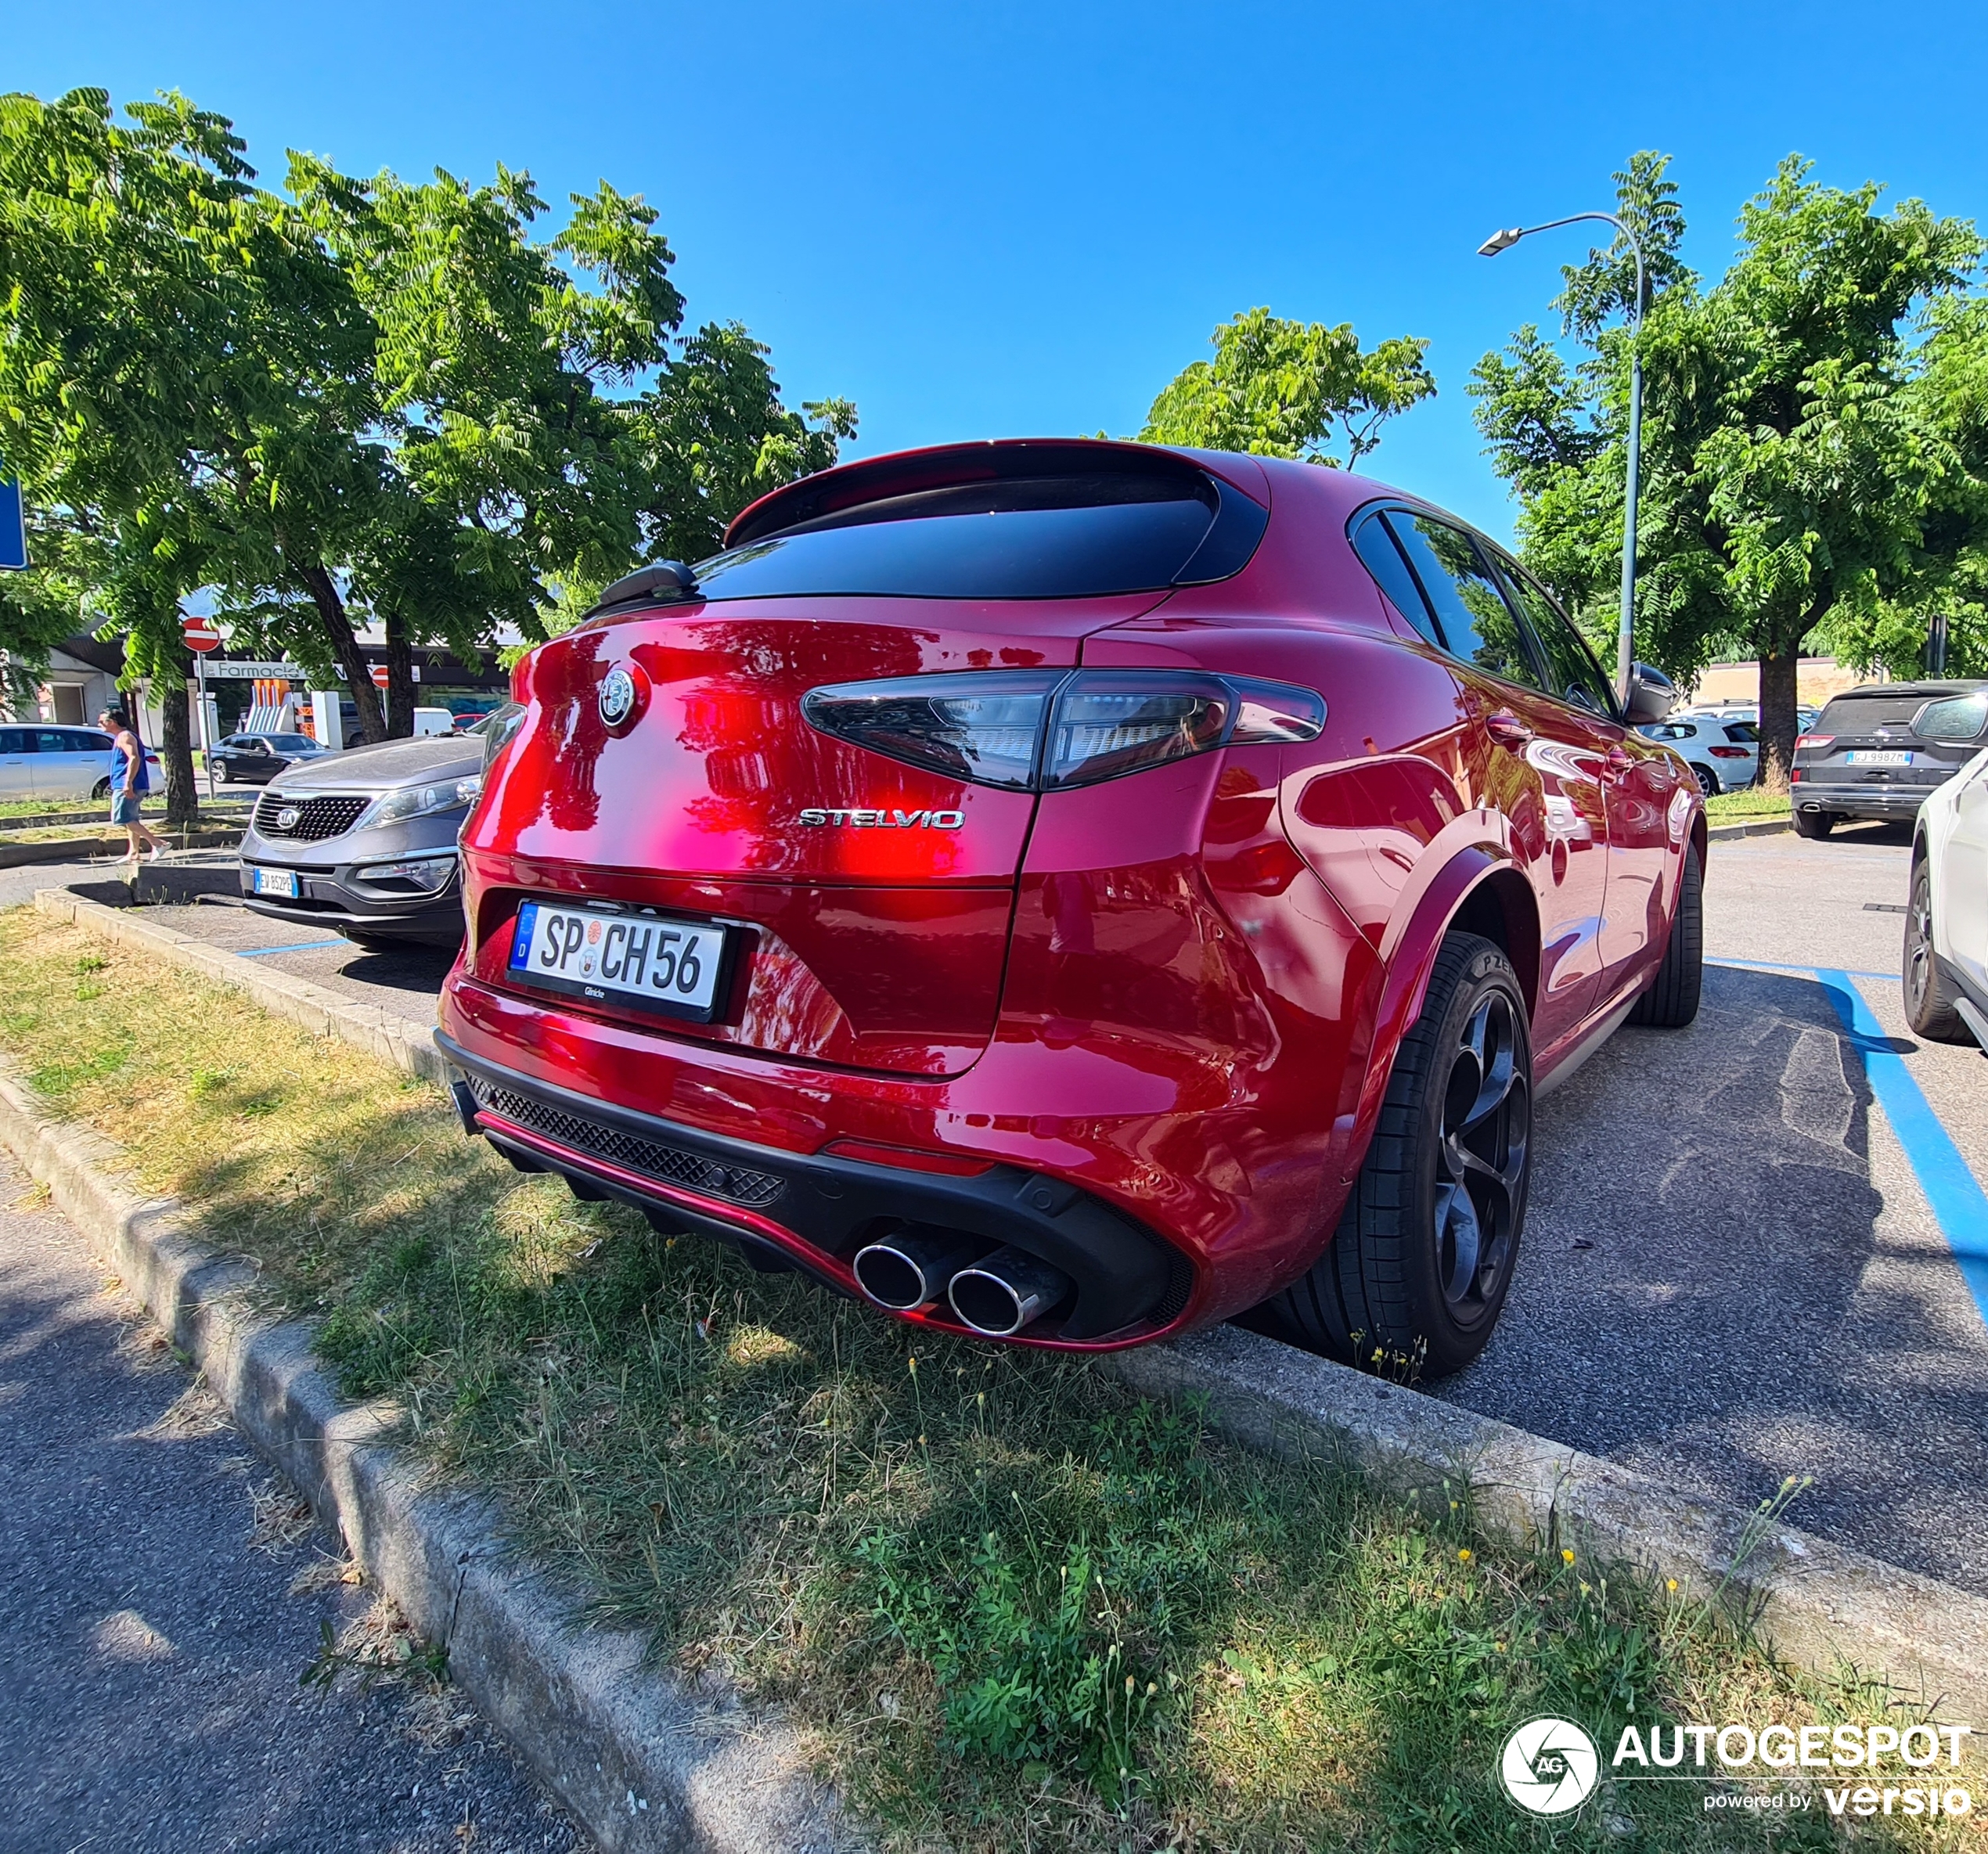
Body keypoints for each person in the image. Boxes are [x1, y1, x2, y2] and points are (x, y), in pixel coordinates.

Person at [99, 707, 164, 863]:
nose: (99, 724)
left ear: (112, 722)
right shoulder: (122, 736)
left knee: (121, 818)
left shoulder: (124, 736)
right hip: (132, 783)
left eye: (101, 721)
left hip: (127, 784)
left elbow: (134, 758)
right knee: (132, 819)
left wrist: (127, 783)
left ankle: (158, 844)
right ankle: (134, 853)